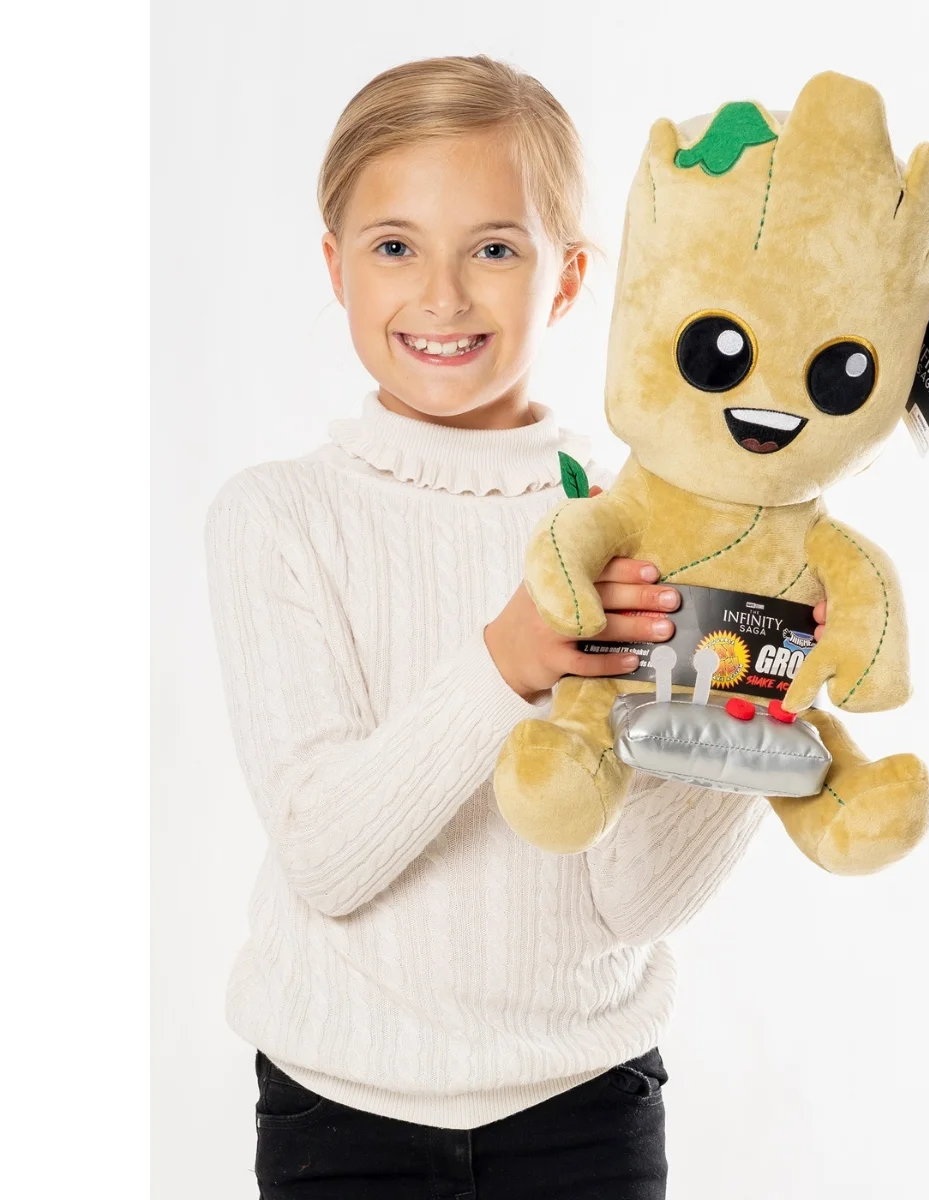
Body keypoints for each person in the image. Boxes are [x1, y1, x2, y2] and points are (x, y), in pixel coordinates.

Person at [203, 54, 826, 1199]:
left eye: (494, 248)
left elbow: (638, 903)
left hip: (583, 1112)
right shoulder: (277, 517)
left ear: (570, 277)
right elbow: (325, 858)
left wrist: (757, 699)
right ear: (336, 267)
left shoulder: (632, 527)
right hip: (338, 1118)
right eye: (395, 246)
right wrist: (507, 663)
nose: (442, 296)